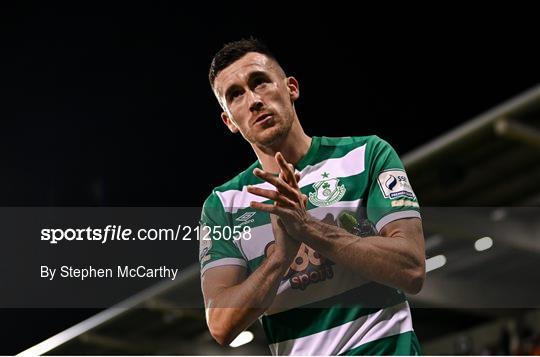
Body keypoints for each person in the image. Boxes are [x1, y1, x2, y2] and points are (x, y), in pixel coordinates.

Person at [199, 37, 425, 355]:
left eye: (260, 82)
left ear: (291, 87)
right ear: (229, 121)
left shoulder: (367, 154)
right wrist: (280, 256)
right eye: (235, 95)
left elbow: (412, 268)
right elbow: (221, 326)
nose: (253, 101)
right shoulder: (223, 204)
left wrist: (309, 229)